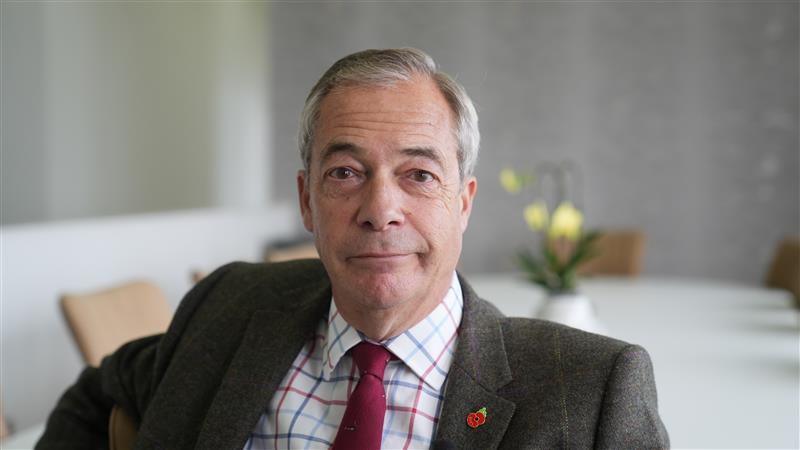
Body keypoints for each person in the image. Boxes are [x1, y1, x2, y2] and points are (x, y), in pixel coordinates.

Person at [36, 48, 669, 449]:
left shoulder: (590, 393)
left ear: (463, 202)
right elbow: (95, 398)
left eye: (419, 174)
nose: (379, 209)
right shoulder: (229, 304)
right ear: (307, 200)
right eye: (345, 173)